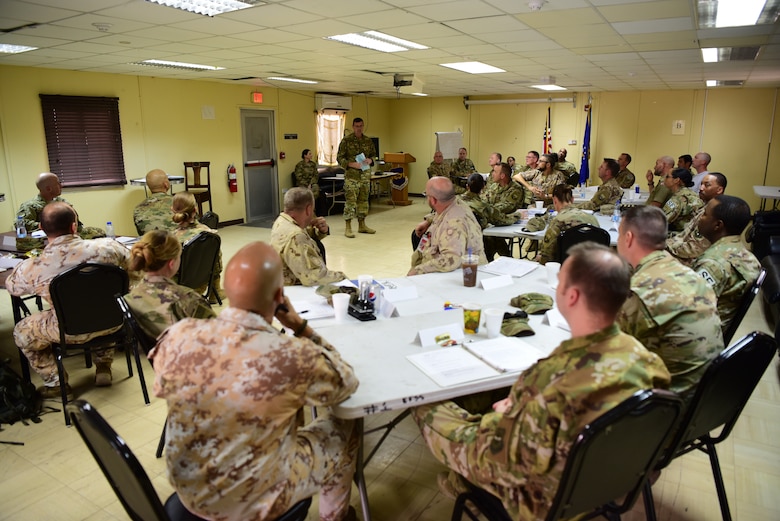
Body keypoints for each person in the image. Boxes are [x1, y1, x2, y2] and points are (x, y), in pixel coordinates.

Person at [412, 242, 670, 520]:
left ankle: (461, 485)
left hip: (543, 501)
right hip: (609, 483)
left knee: (427, 405)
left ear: (570, 296)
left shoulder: (551, 379)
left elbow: (502, 460)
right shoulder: (650, 363)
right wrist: (521, 409)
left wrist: (505, 418)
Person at [149, 242, 359, 521]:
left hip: (189, 491)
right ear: (279, 297)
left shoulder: (179, 334)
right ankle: (337, 517)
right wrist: (300, 326)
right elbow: (345, 382)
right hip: (254, 502)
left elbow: (167, 376)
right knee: (344, 425)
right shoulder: (290, 356)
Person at [6, 202, 131, 397]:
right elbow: (135, 266)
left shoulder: (35, 266)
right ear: (74, 226)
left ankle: (56, 383)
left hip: (67, 330)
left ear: (41, 229)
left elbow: (13, 287)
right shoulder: (109, 248)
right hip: (114, 321)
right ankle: (104, 367)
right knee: (98, 306)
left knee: (21, 331)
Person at [616, 205, 723, 396]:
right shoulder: (689, 274)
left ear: (628, 238)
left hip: (664, 405)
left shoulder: (640, 292)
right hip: (704, 396)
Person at [125, 229, 215, 340]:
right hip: (191, 353)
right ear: (172, 263)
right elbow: (218, 337)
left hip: (160, 354)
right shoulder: (187, 299)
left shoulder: (129, 297)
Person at [693, 195, 761, 335]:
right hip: (716, 330)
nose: (700, 217)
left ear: (718, 225)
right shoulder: (748, 257)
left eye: (705, 214)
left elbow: (688, 310)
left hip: (699, 338)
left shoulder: (713, 264)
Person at [409, 177, 485, 275]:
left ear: (433, 200)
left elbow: (451, 259)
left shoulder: (453, 224)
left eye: (426, 195)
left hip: (461, 277)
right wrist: (428, 220)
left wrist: (418, 271)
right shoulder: (455, 203)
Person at [271, 187, 347, 286]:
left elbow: (305, 235)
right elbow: (313, 278)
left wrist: (320, 231)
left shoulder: (282, 221)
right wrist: (343, 278)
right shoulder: (296, 236)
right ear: (308, 209)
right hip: (296, 292)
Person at [16, 172, 105, 251]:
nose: (61, 186)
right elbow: (21, 224)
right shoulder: (30, 206)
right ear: (48, 189)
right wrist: (50, 226)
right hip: (45, 246)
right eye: (58, 183)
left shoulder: (63, 203)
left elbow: (77, 224)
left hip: (71, 243)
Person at [171, 191, 224, 303]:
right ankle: (215, 293)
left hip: (177, 290)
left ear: (172, 211)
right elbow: (217, 265)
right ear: (195, 210)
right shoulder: (210, 234)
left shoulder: (171, 239)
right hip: (200, 286)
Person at [666, 172, 727, 264]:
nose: (701, 188)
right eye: (701, 184)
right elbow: (685, 235)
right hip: (684, 250)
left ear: (719, 190)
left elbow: (696, 248)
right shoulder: (705, 208)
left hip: (696, 260)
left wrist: (665, 246)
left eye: (707, 185)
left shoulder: (716, 215)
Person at [537, 184, 599, 265]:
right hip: (592, 268)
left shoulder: (557, 222)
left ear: (555, 200)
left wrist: (540, 258)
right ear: (572, 200)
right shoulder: (592, 219)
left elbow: (547, 257)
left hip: (566, 270)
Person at [337, 117, 376, 238]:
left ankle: (362, 225)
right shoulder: (346, 141)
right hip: (352, 177)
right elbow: (339, 158)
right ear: (353, 127)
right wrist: (350, 164)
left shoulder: (368, 141)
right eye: (357, 126)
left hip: (364, 175)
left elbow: (374, 155)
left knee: (363, 201)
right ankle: (348, 227)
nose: (359, 129)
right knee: (351, 201)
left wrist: (370, 160)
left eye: (361, 126)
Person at [483, 163, 527, 259]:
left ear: (502, 176)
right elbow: (483, 202)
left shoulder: (515, 189)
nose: (492, 174)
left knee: (489, 237)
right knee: (486, 236)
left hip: (509, 223)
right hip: (493, 222)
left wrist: (488, 209)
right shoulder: (494, 186)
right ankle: (504, 257)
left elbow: (507, 207)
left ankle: (503, 257)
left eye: (495, 171)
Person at [133, 169, 176, 235]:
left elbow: (141, 234)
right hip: (176, 243)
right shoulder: (179, 202)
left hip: (151, 244)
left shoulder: (137, 209)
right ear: (166, 184)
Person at [661, 168, 704, 233]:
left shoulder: (678, 199)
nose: (664, 179)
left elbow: (661, 221)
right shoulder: (691, 194)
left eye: (667, 177)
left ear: (676, 180)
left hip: (680, 236)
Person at [294, 148, 323, 215]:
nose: (311, 155)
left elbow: (316, 175)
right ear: (305, 155)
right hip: (302, 184)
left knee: (315, 189)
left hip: (311, 183)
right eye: (309, 154)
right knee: (304, 192)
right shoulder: (300, 165)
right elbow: (299, 177)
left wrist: (311, 183)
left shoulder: (313, 164)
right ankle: (304, 211)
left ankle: (312, 210)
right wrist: (307, 184)